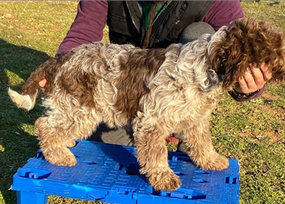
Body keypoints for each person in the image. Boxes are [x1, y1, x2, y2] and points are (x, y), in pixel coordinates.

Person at [41, 0, 272, 148]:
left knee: (201, 34)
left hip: (181, 93)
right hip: (126, 90)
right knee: (97, 139)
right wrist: (60, 69)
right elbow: (83, 34)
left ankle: (185, 132)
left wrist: (248, 87)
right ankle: (149, 131)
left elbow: (247, 47)